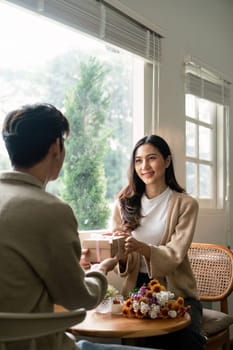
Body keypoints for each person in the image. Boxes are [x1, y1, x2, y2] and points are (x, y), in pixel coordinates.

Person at [0, 104, 157, 350]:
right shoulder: (51, 210)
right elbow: (78, 298)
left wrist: (76, 269)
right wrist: (101, 269)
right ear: (56, 147)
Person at [111, 135, 206, 350]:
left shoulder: (186, 204)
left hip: (178, 291)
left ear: (167, 161)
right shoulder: (123, 202)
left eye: (151, 158)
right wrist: (122, 255)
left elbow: (175, 254)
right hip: (135, 290)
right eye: (138, 160)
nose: (144, 166)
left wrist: (143, 248)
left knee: (184, 339)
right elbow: (118, 260)